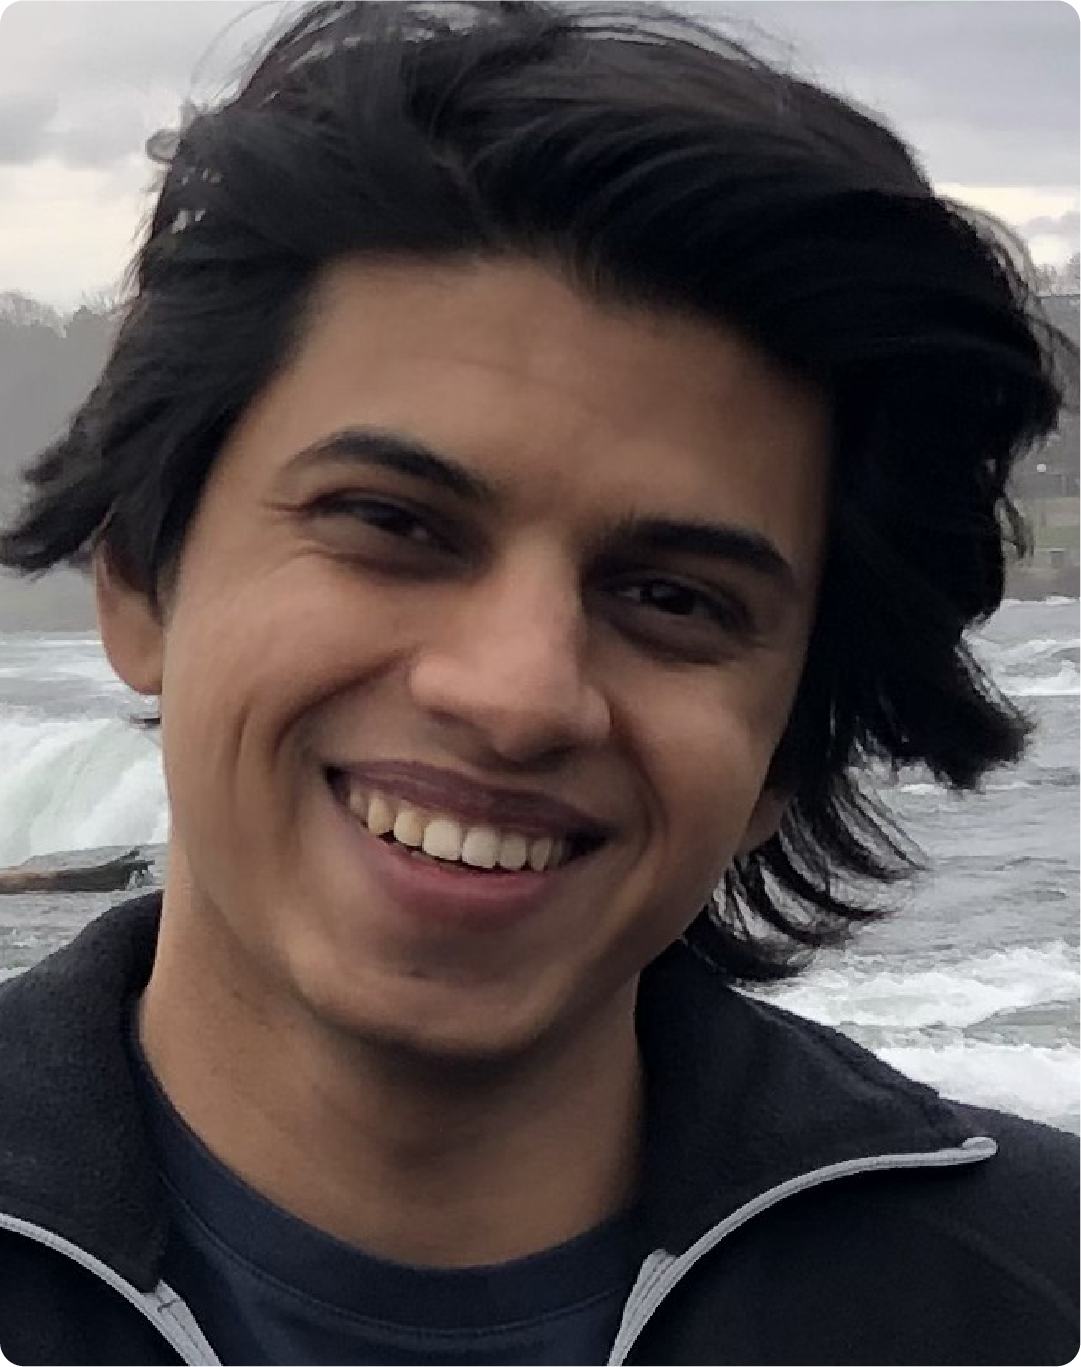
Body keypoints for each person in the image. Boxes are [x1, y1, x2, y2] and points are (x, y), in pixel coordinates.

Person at [0, 0, 1079, 1362]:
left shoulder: (1029, 1299)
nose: (516, 695)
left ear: (786, 752)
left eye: (673, 599)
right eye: (394, 524)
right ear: (141, 583)